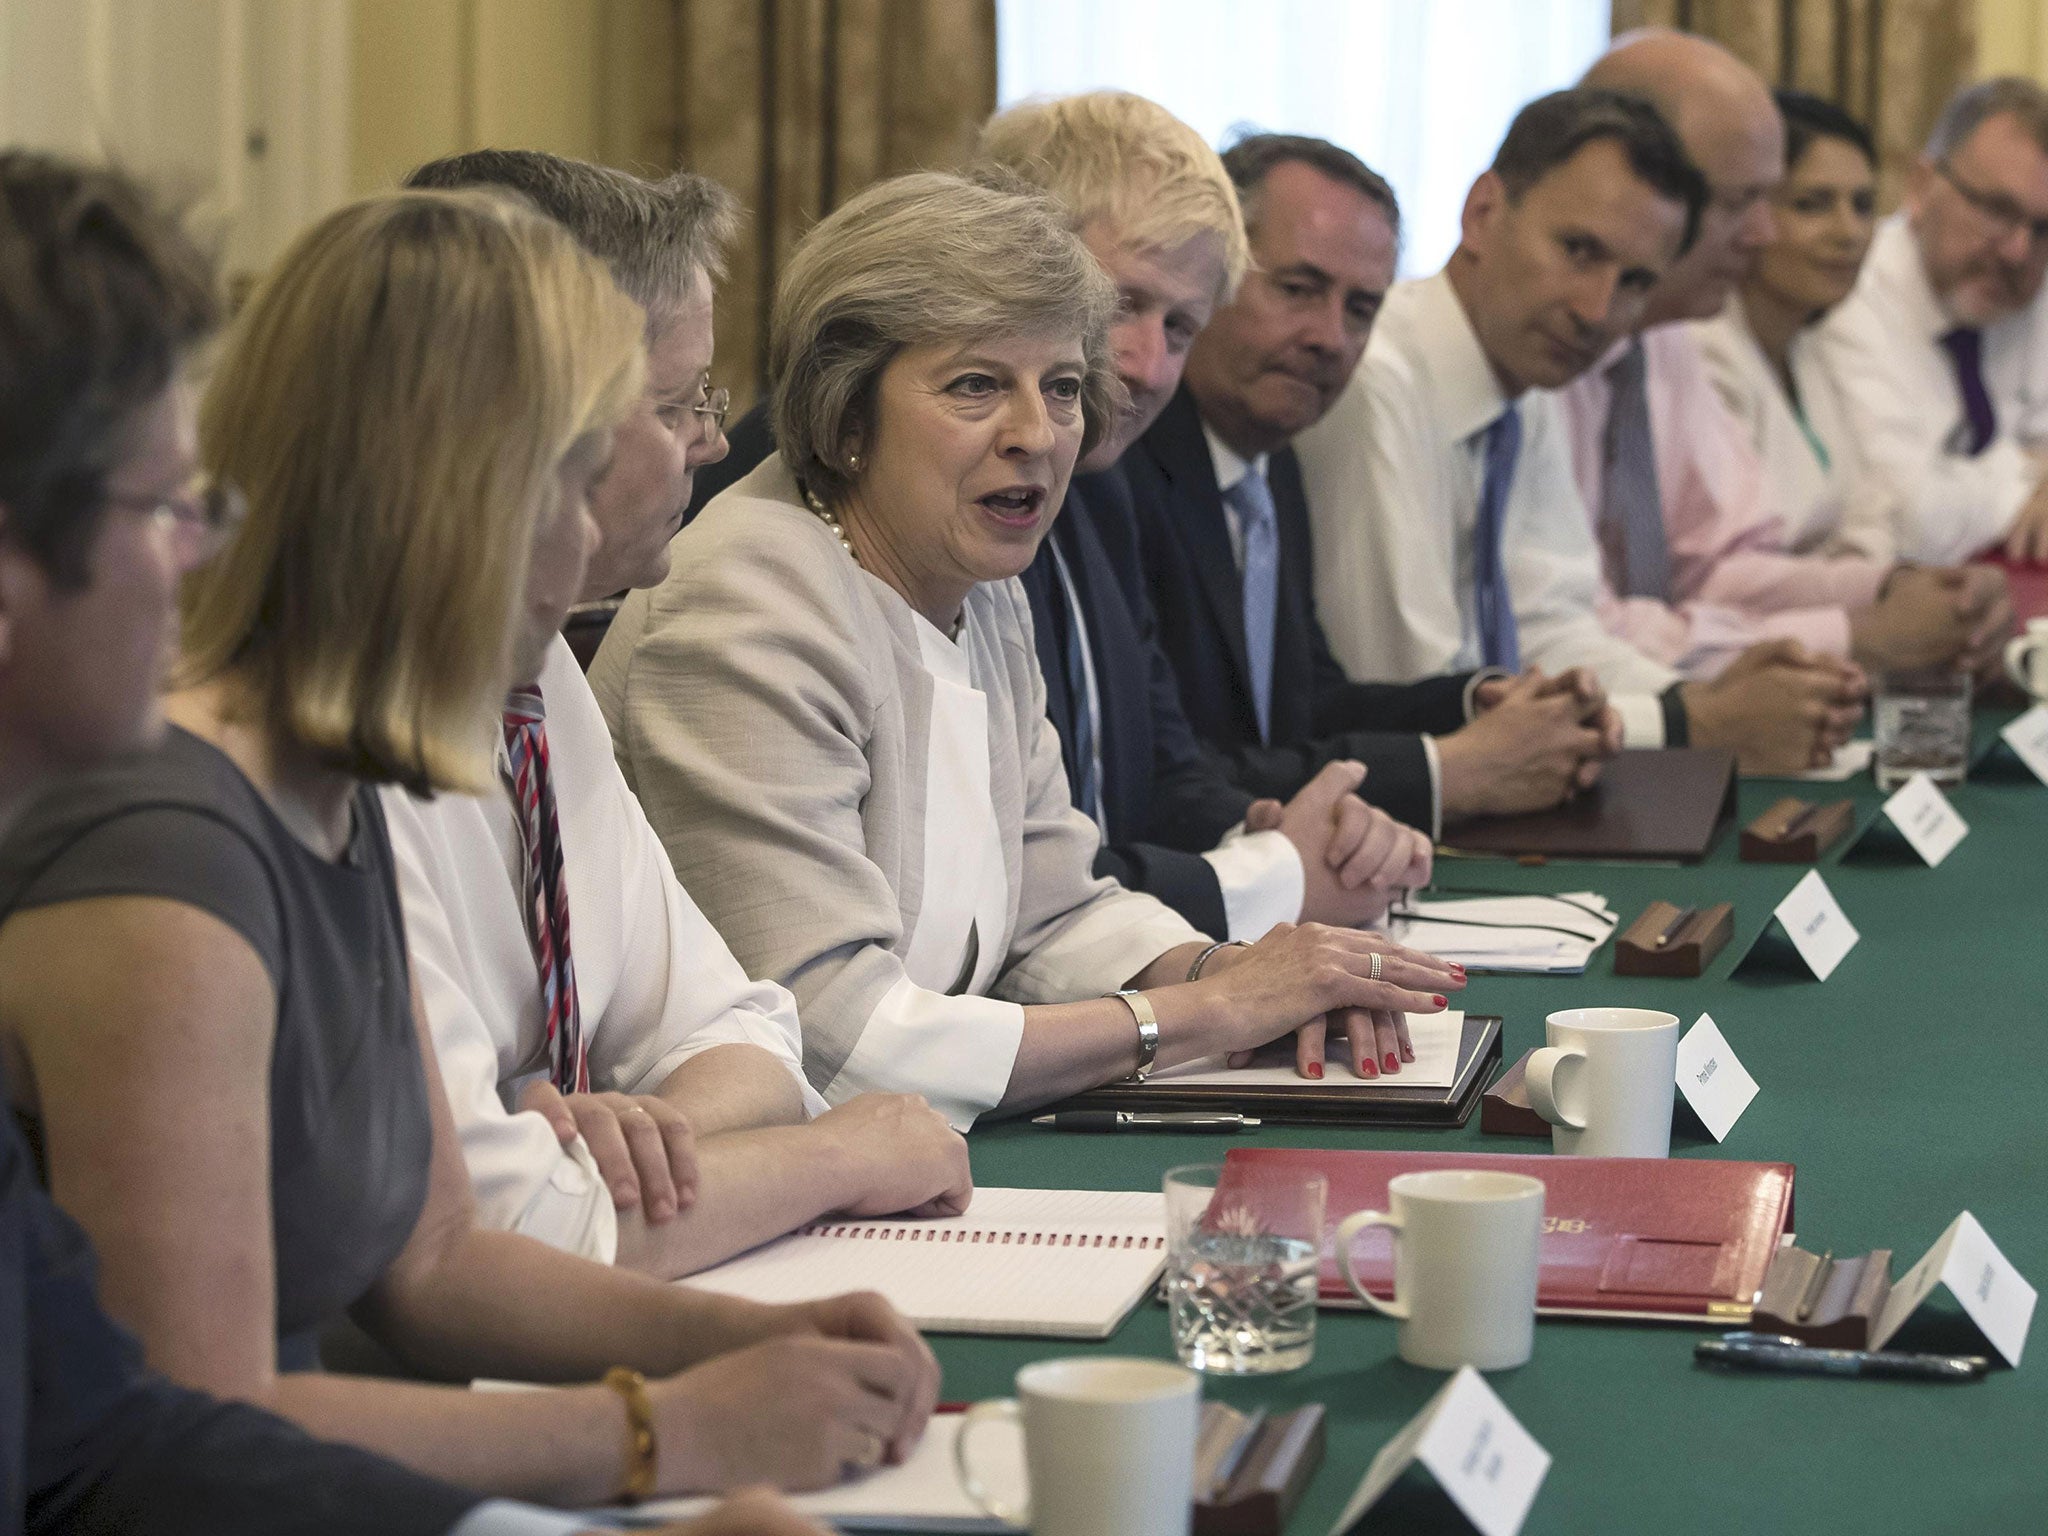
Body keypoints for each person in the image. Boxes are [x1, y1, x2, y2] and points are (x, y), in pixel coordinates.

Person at [0, 186, 936, 1508]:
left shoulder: (338, 782)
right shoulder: (165, 867)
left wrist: (754, 1338)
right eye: (567, 482)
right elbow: (193, 1437)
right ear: (456, 500)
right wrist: (668, 1435)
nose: (579, 537)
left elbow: (436, 1260)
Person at [592, 171, 1463, 1116]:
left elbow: (1057, 911)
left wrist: (1255, 972)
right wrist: (1209, 1014)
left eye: (1059, 388)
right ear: (847, 413)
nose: (1036, 435)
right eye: (976, 386)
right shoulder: (744, 601)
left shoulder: (979, 584)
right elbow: (833, 1037)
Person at [384, 150, 971, 1281]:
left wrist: (640, 1139)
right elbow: (494, 1234)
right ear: (524, 423)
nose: (712, 442)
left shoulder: (534, 663)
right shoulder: (341, 731)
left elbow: (746, 1031)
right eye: (673, 405)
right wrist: (843, 1156)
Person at [684, 93, 1426, 952]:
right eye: (1119, 306)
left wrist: (1269, 831)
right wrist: (1265, 888)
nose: (1145, 367)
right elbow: (858, 982)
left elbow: (1121, 798)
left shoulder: (1100, 476)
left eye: (1181, 325)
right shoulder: (856, 489)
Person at [1297, 89, 1862, 772]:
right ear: (1482, 214)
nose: (1596, 310)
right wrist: (1693, 722)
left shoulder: (1525, 383)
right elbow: (1416, 697)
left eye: (1633, 282)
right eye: (1579, 250)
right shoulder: (1376, 382)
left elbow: (1552, 628)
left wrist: (1704, 698)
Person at [1125, 132, 1623, 834]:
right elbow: (1173, 773)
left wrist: (1478, 704)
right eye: (1297, 289)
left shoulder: (1270, 462)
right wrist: (1448, 770)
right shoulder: (1121, 469)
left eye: (1361, 310)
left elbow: (1307, 706)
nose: (1330, 337)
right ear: (1208, 275)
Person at [1557, 31, 2008, 680]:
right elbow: (1573, 632)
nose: (1763, 233)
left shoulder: (1665, 337)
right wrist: (1856, 633)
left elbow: (1714, 566)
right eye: (1743, 203)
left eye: (1860, 205)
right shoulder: (1551, 355)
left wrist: (1894, 589)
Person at [1817, 76, 2048, 565]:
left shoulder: (2032, 290)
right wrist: (2030, 472)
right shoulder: (1844, 295)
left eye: (2044, 229)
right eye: (1996, 210)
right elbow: (1910, 519)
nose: (2018, 251)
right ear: (1921, 187)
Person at [1692, 92, 1899, 561]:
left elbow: (1877, 508)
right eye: (1812, 205)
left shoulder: (1810, 342)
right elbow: (1733, 560)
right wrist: (1859, 582)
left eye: (1863, 205)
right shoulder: (1705, 349)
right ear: (1749, 213)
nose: (1848, 233)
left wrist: (1857, 567)